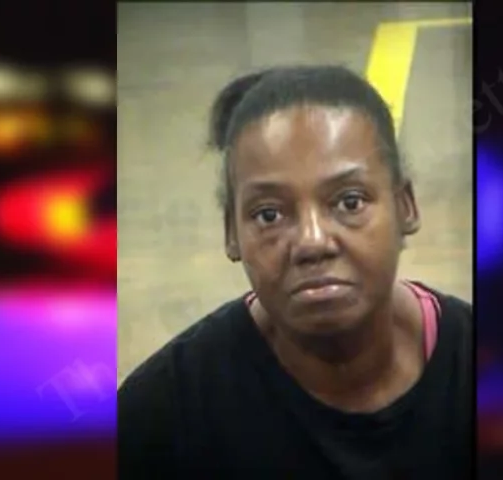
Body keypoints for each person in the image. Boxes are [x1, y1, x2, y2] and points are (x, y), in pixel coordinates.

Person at [118, 65, 473, 479]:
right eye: (269, 214)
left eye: (350, 202)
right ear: (231, 233)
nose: (312, 242)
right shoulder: (162, 416)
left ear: (405, 206)